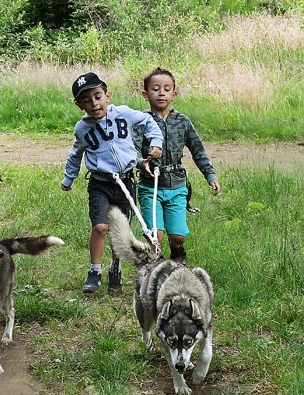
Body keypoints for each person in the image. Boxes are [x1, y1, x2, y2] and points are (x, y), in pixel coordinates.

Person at [61, 72, 163, 294]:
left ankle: (115, 268)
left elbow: (148, 121)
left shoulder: (123, 114)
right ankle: (94, 270)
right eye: (86, 100)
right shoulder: (82, 128)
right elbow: (75, 154)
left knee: (120, 230)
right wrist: (69, 178)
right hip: (100, 183)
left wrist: (156, 143)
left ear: (107, 95)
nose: (94, 103)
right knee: (100, 227)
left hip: (126, 182)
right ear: (79, 104)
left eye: (97, 96)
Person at [134, 67, 221, 261]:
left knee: (178, 236)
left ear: (174, 94)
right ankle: (155, 267)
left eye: (166, 88)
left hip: (177, 186)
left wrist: (210, 175)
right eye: (155, 89)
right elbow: (131, 149)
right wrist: (141, 162)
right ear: (145, 94)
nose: (161, 93)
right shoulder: (141, 121)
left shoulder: (182, 121)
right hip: (151, 186)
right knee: (155, 235)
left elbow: (198, 150)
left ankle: (177, 254)